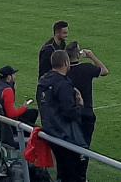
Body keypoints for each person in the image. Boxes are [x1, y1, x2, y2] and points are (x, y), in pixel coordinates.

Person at [37, 50, 87, 182]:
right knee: (72, 173)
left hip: (50, 131)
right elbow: (69, 112)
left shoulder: (43, 81)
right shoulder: (63, 84)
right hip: (64, 134)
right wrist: (80, 105)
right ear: (66, 62)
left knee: (62, 171)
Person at [65, 42, 109, 180]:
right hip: (86, 115)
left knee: (70, 146)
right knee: (84, 148)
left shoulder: (64, 71)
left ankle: (70, 175)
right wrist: (91, 56)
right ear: (79, 54)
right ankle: (81, 176)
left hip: (70, 114)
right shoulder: (86, 68)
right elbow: (104, 70)